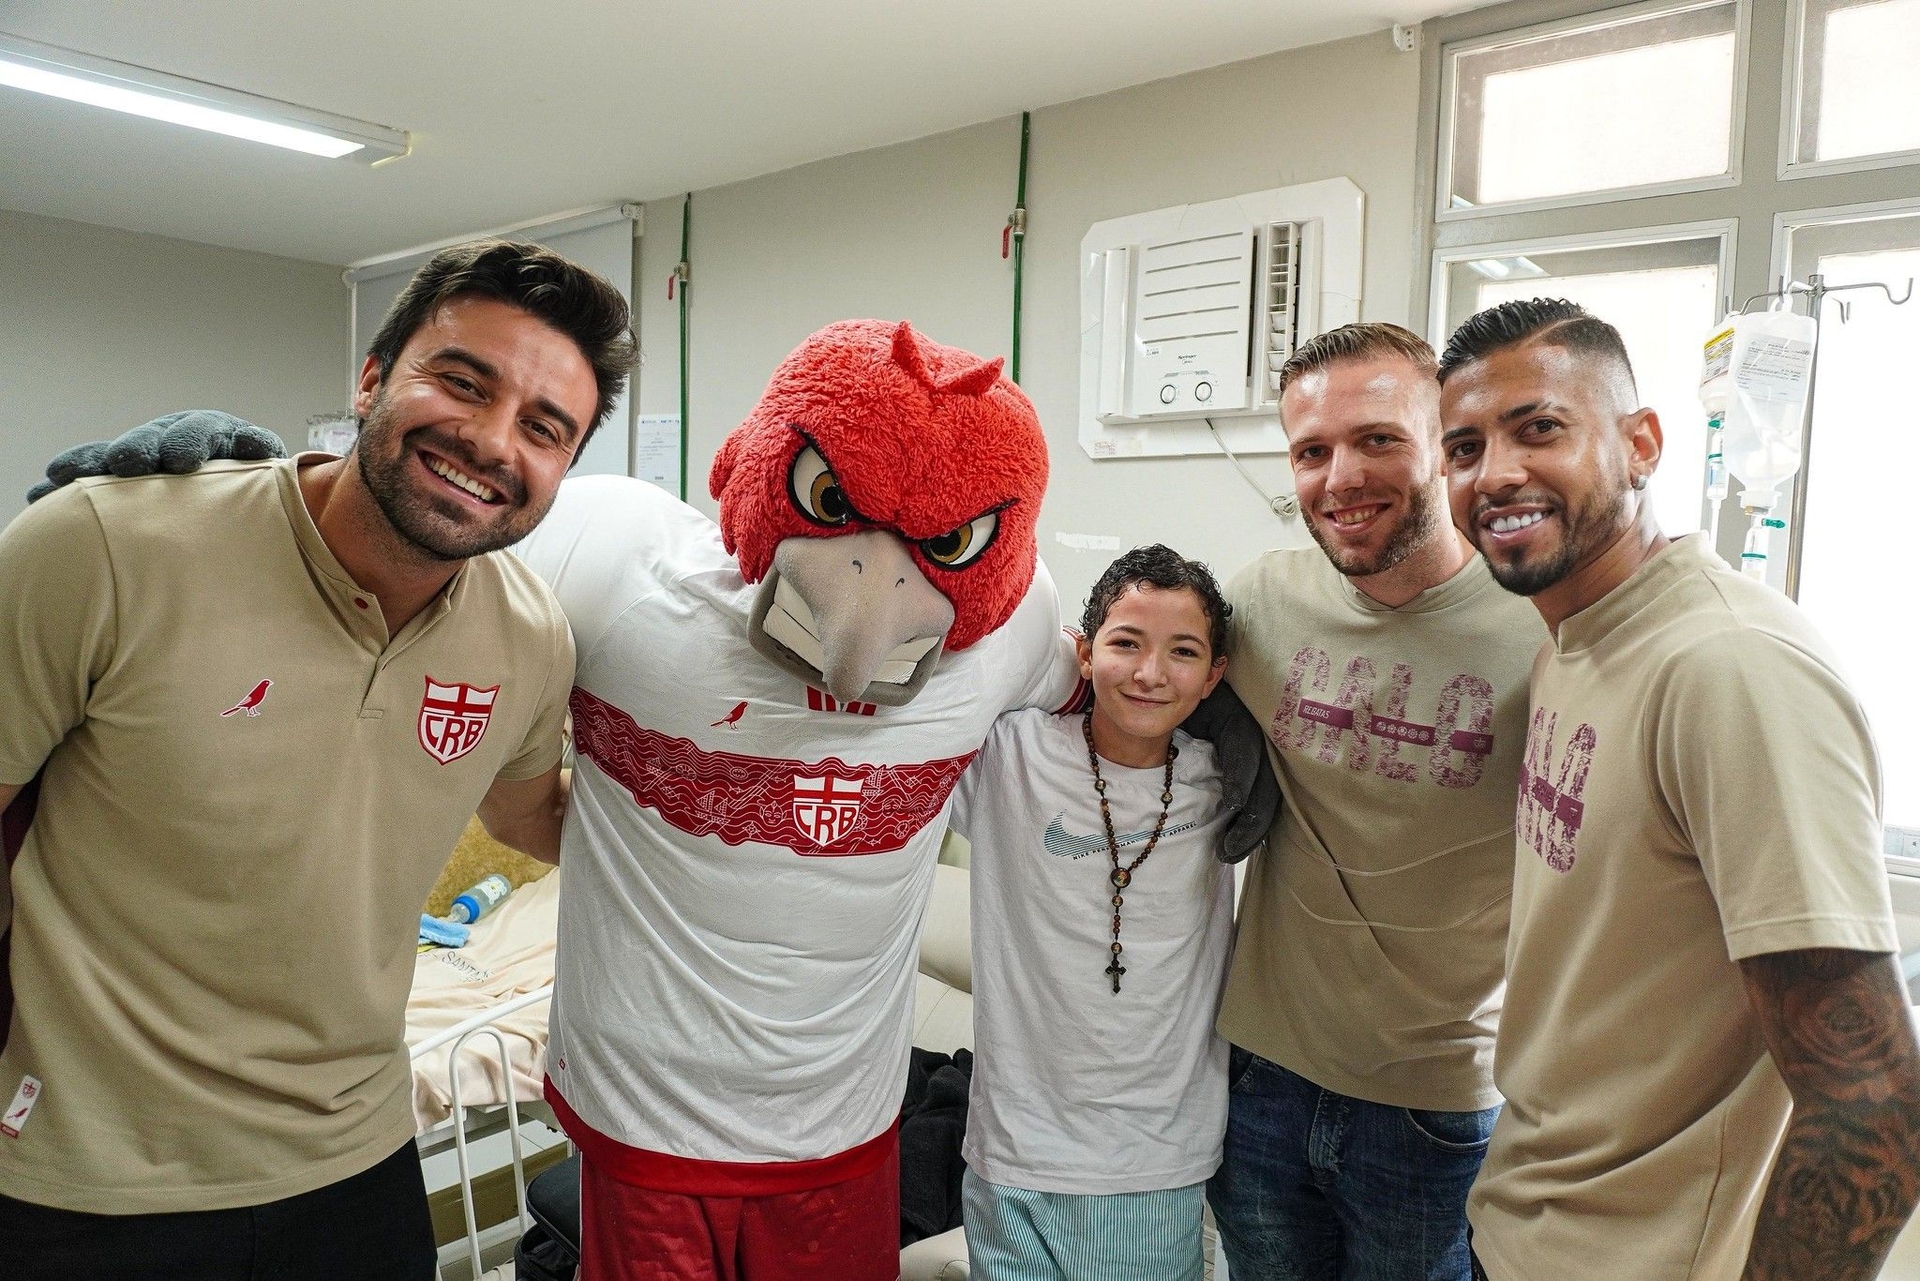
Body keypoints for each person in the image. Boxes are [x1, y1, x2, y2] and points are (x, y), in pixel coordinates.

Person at [0, 238, 636, 1280]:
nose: (489, 441)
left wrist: (757, 803)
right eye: (461, 383)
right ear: (373, 377)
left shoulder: (530, 637)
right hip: (90, 1181)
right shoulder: (106, 546)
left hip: (355, 1166)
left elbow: (533, 819)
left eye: (542, 427)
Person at [1437, 297, 1920, 1280]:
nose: (1497, 473)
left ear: (1642, 442)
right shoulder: (1581, 639)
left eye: (1540, 428)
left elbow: (1874, 1100)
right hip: (1527, 1224)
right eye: (1464, 446)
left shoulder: (1728, 669)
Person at [1206, 322, 1547, 1280]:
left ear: (1444, 443)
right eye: (1312, 451)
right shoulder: (1259, 602)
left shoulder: (1540, 626)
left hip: (1436, 1108)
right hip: (1259, 1076)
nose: (1340, 476)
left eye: (1378, 439)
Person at [949, 545, 1238, 1281]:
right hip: (1009, 1147)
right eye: (1125, 642)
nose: (1149, 672)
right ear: (1082, 653)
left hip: (1151, 1160)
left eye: (1182, 652)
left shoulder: (1224, 778)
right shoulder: (1009, 752)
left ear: (1214, 675)